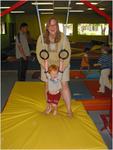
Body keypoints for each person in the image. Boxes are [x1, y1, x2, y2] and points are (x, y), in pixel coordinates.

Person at [36, 17, 72, 116]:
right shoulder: (42, 38)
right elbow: (39, 53)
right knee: (47, 85)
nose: (52, 27)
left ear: (57, 26)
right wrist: (46, 68)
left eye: (54, 24)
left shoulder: (63, 37)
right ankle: (49, 107)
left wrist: (62, 68)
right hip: (47, 64)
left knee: (64, 85)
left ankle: (69, 109)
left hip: (62, 63)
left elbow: (68, 52)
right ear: (47, 27)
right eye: (50, 25)